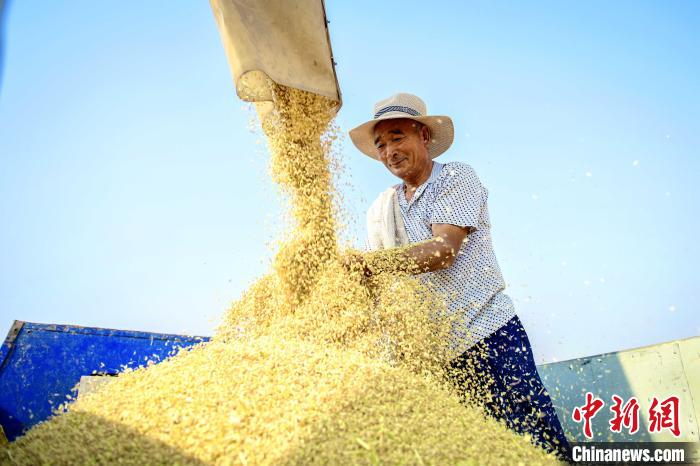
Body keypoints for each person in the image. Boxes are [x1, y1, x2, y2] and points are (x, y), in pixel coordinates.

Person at [347, 93, 572, 461]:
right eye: (381, 144)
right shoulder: (382, 208)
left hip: (488, 335)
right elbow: (382, 285)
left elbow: (442, 250)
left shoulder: (455, 177)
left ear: (423, 134)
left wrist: (369, 265)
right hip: (438, 357)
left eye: (398, 136)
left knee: (535, 443)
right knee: (475, 453)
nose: (389, 151)